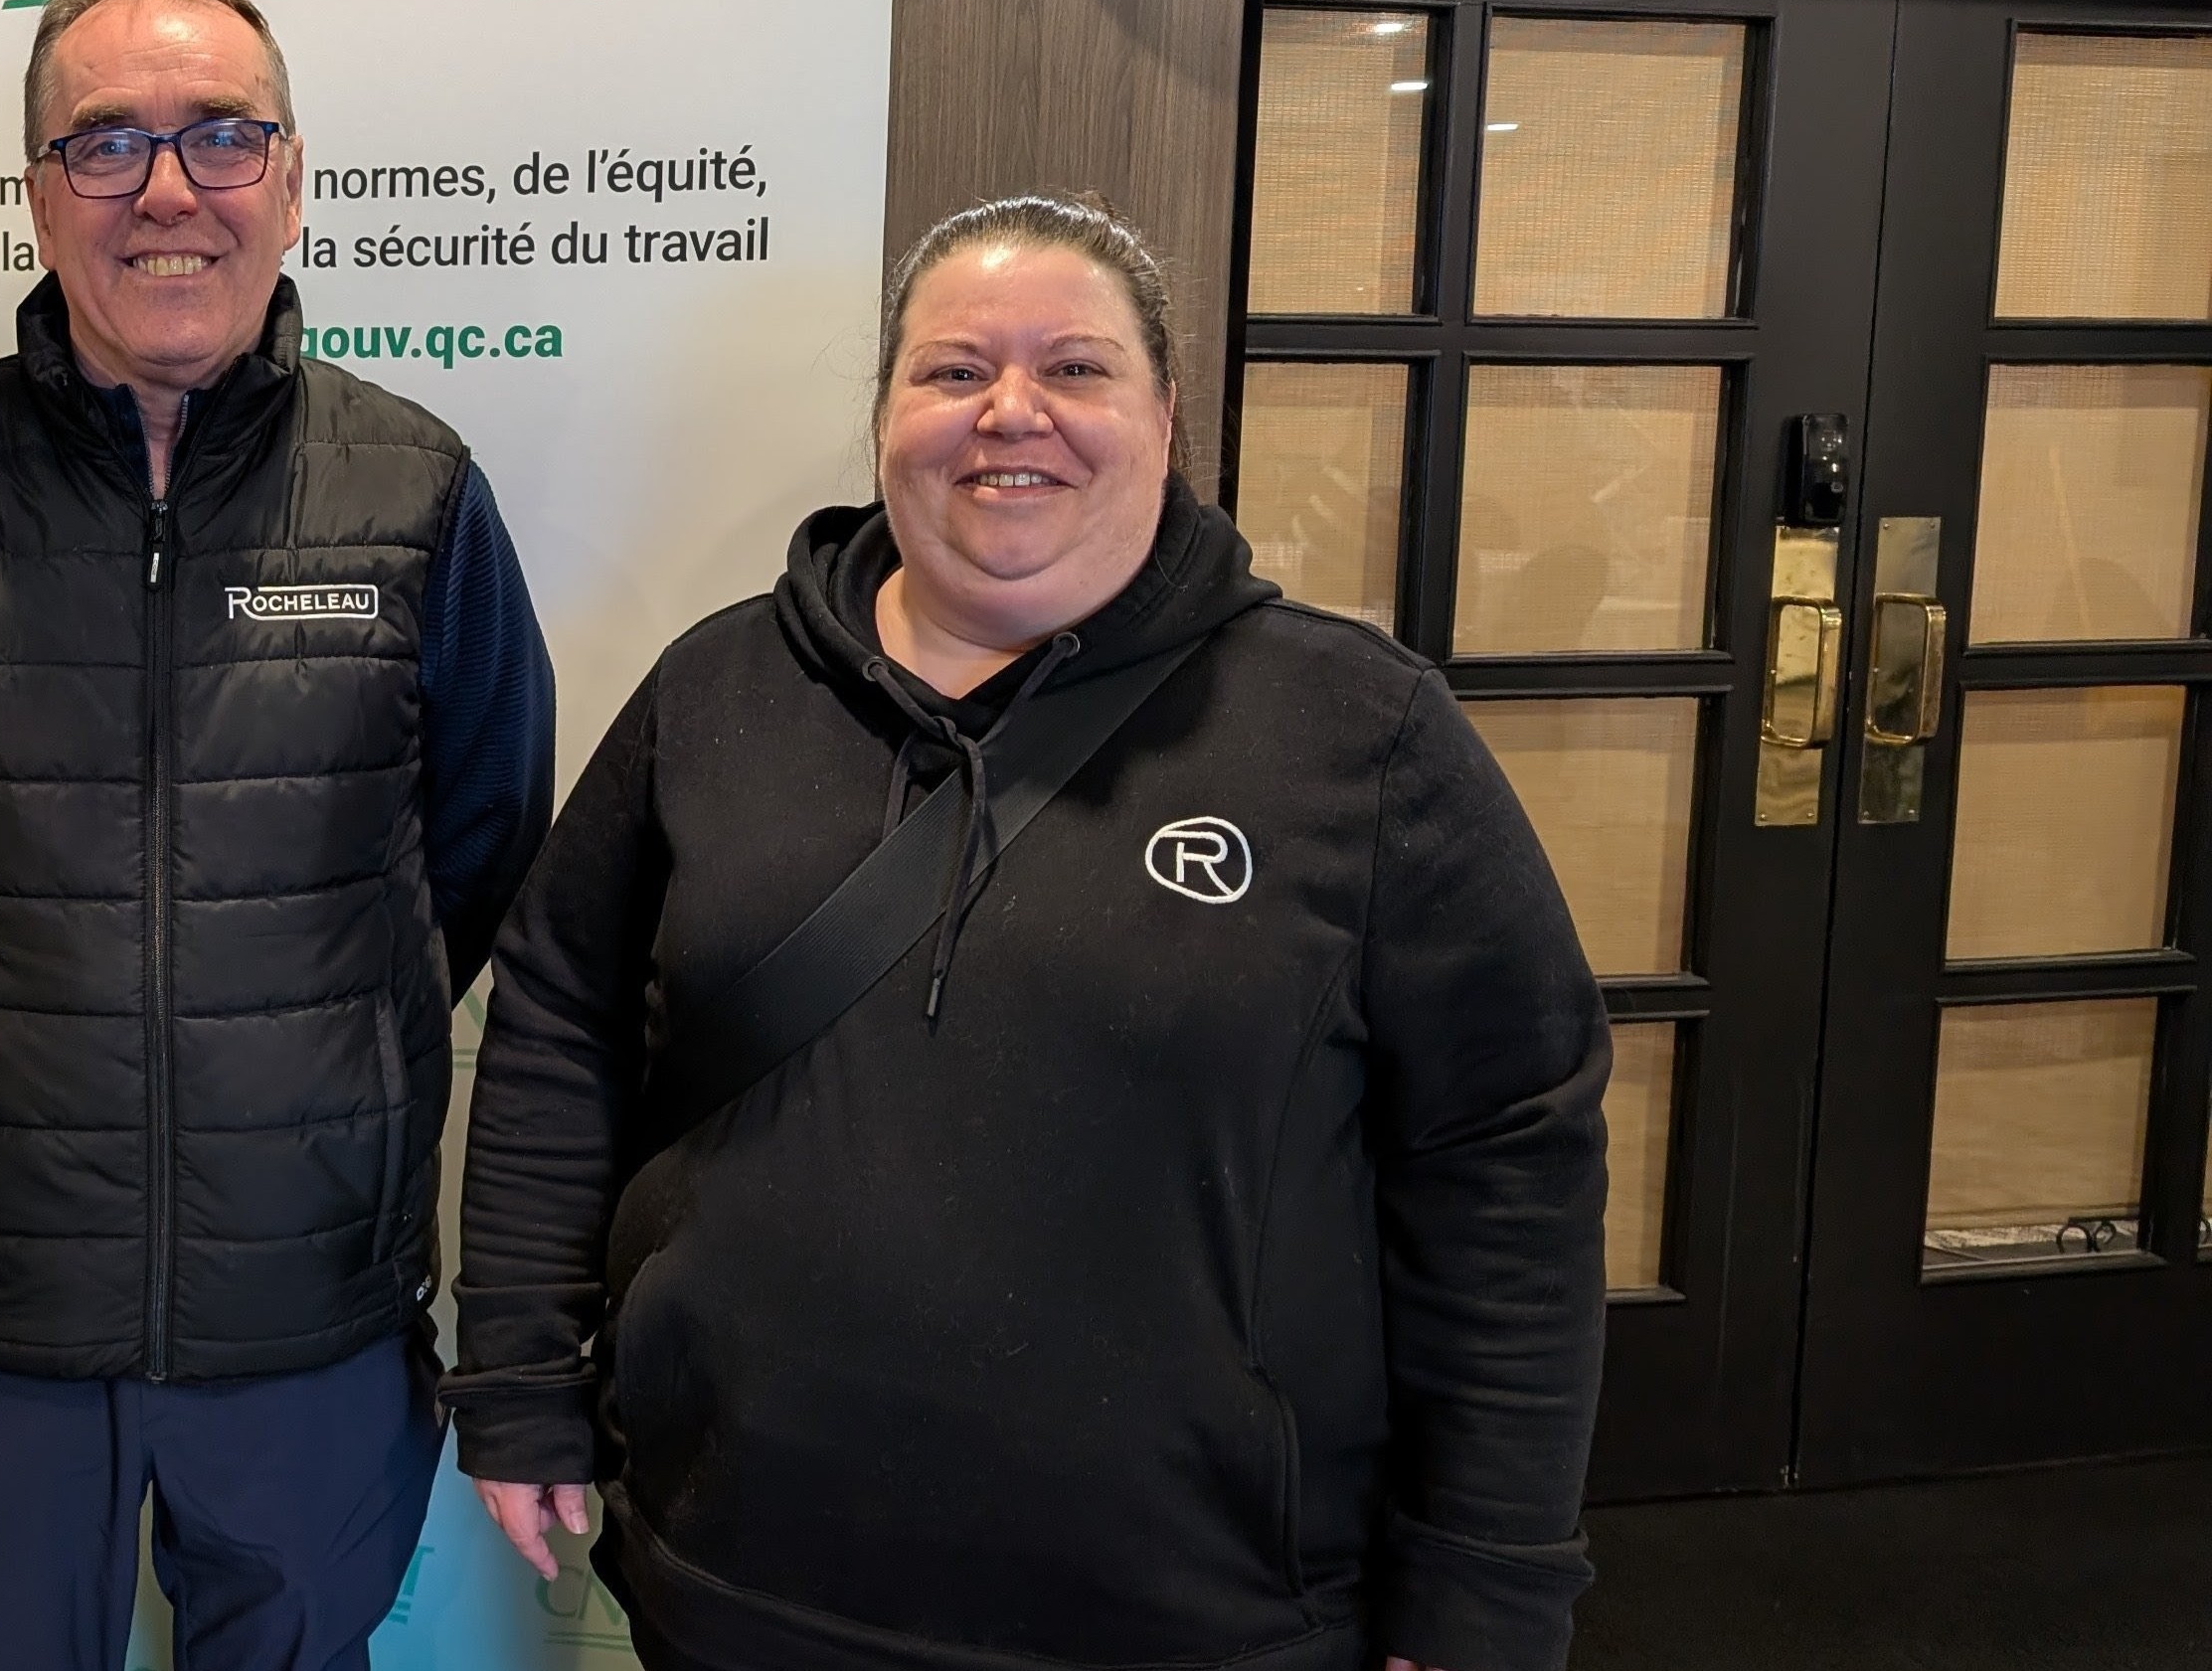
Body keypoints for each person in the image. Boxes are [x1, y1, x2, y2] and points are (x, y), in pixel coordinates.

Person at [443, 194, 1611, 1671]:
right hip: (738, 1581)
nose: (1011, 411)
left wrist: (1489, 1575)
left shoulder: (1359, 735)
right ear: (886, 417)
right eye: (954, 369)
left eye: (1075, 368)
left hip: (1197, 1619)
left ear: (1165, 416)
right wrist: (520, 1373)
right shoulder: (716, 692)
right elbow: (561, 1021)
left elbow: (1506, 1158)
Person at [0, 0, 557, 1668]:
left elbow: (481, 843)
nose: (169, 191)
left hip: (309, 1306)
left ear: (291, 180)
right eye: (107, 143)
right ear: (39, 195)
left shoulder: (420, 492)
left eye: (221, 135)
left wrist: (317, 1062)